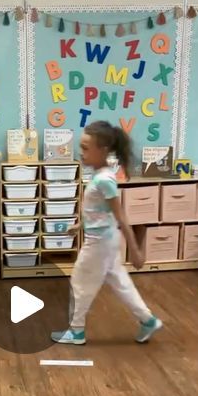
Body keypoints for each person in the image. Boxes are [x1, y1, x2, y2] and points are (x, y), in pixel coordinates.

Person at [51, 120, 162, 345]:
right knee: (121, 283)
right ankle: (148, 320)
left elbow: (120, 216)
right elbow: (100, 211)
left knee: (79, 282)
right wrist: (80, 225)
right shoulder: (102, 175)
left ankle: (77, 331)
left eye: (85, 148)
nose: (80, 153)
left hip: (99, 242)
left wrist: (136, 250)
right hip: (104, 239)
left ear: (102, 150)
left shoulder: (105, 180)